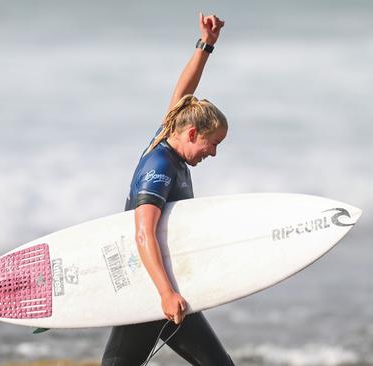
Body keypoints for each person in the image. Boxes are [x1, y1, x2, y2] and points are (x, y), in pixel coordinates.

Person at [101, 13, 235, 366]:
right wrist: (165, 293)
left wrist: (206, 45)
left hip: (167, 288)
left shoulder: (170, 136)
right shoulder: (158, 167)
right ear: (192, 133)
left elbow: (183, 95)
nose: (214, 152)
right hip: (150, 291)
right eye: (212, 143)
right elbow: (143, 233)